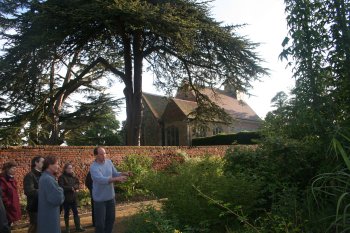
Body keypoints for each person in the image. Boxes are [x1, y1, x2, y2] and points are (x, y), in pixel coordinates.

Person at [90, 147, 132, 233]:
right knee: (100, 224)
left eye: (105, 153)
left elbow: (115, 173)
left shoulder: (109, 162)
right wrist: (117, 179)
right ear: (96, 155)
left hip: (110, 198)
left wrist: (124, 173)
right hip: (100, 200)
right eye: (101, 154)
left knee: (111, 220)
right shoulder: (93, 167)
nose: (104, 156)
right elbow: (101, 180)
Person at [37, 156, 64, 233]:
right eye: (56, 164)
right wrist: (61, 189)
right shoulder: (48, 179)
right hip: (49, 214)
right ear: (49, 165)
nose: (58, 166)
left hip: (47, 213)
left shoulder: (45, 177)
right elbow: (57, 199)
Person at [58, 163, 86, 233]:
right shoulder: (61, 177)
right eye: (69, 168)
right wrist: (70, 188)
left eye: (71, 168)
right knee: (66, 213)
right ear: (65, 169)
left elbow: (77, 184)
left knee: (76, 212)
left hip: (73, 197)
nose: (70, 170)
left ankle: (78, 226)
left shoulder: (74, 176)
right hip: (66, 198)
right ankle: (67, 228)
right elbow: (61, 186)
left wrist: (75, 187)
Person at [23, 156, 44, 233]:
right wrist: (44, 191)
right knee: (35, 227)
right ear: (36, 163)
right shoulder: (29, 176)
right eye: (42, 162)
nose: (44, 164)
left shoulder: (44, 174)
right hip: (34, 207)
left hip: (43, 205)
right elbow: (29, 191)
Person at [0, 161, 21, 227]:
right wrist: (8, 203)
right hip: (6, 208)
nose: (15, 170)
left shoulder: (13, 179)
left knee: (8, 226)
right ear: (7, 169)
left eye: (15, 168)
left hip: (13, 206)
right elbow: (2, 194)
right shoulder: (2, 180)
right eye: (13, 168)